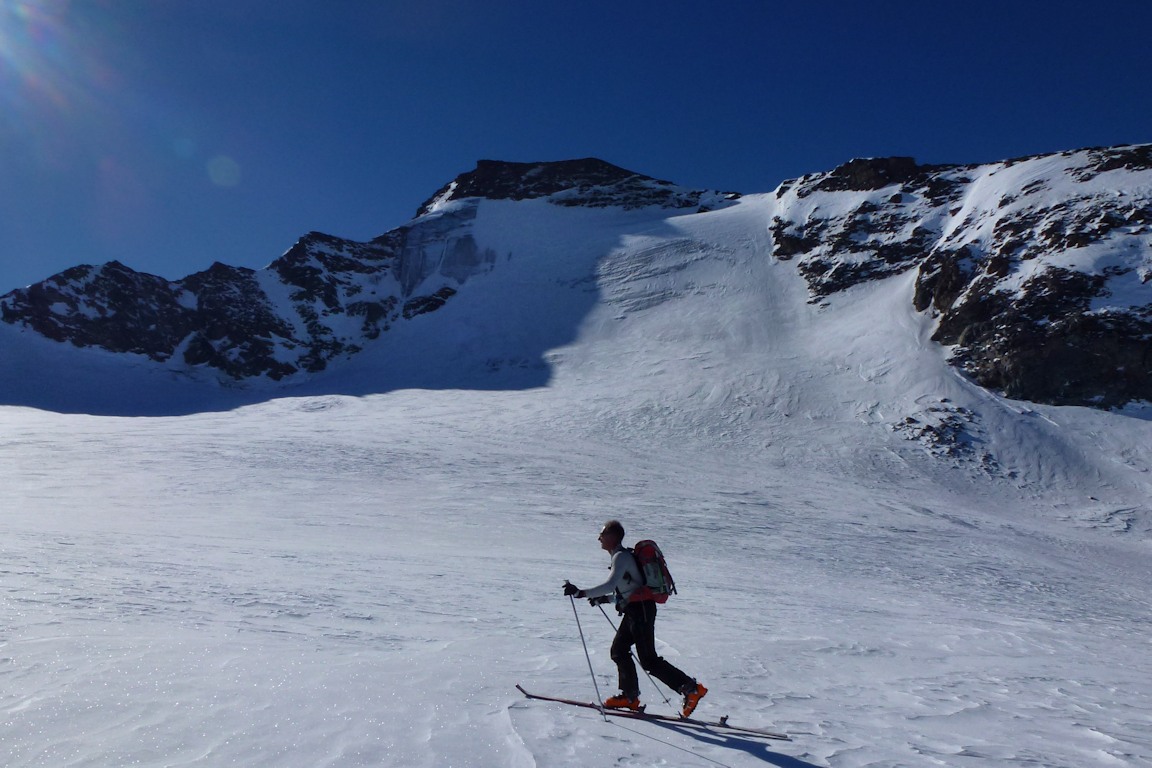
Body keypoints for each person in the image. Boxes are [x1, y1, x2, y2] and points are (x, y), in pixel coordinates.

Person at [563, 519, 707, 717]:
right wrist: (605, 599)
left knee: (648, 660)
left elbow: (611, 584)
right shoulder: (621, 557)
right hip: (636, 609)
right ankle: (629, 696)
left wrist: (581, 593)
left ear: (612, 537)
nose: (599, 538)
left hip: (641, 610)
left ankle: (691, 689)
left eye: (602, 534)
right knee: (619, 650)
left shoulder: (621, 557)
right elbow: (628, 590)